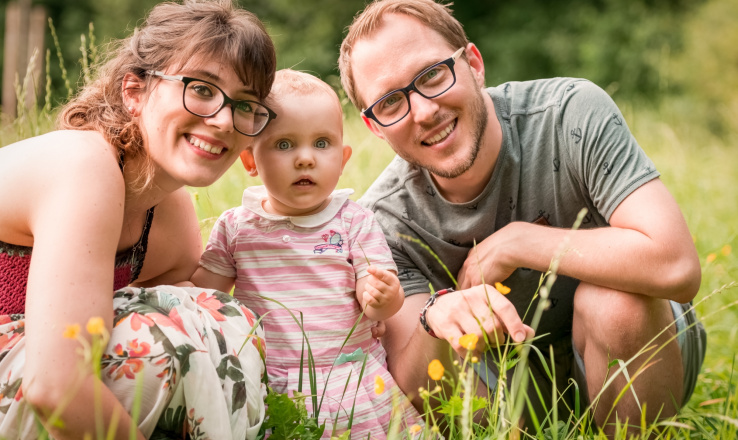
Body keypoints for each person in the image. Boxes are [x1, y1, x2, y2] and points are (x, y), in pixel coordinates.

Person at [338, 0, 706, 435]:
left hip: (643, 348)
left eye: (432, 75)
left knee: (615, 303)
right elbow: (417, 392)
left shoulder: (570, 112)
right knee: (441, 354)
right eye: (390, 102)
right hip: (509, 395)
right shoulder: (381, 221)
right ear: (375, 126)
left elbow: (677, 266)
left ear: (473, 64)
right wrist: (435, 316)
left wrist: (522, 242)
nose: (423, 111)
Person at [0, 1, 277, 439]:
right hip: (33, 379)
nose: (224, 121)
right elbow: (53, 385)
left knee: (219, 319)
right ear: (134, 91)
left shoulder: (169, 216)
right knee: (150, 346)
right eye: (202, 89)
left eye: (246, 106)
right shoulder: (82, 165)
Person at [191, 69, 422, 439]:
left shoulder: (354, 221)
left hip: (348, 379)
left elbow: (379, 300)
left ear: (343, 158)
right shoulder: (236, 227)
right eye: (284, 145)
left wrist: (382, 297)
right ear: (250, 161)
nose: (304, 159)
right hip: (273, 382)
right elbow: (204, 297)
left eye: (321, 143)